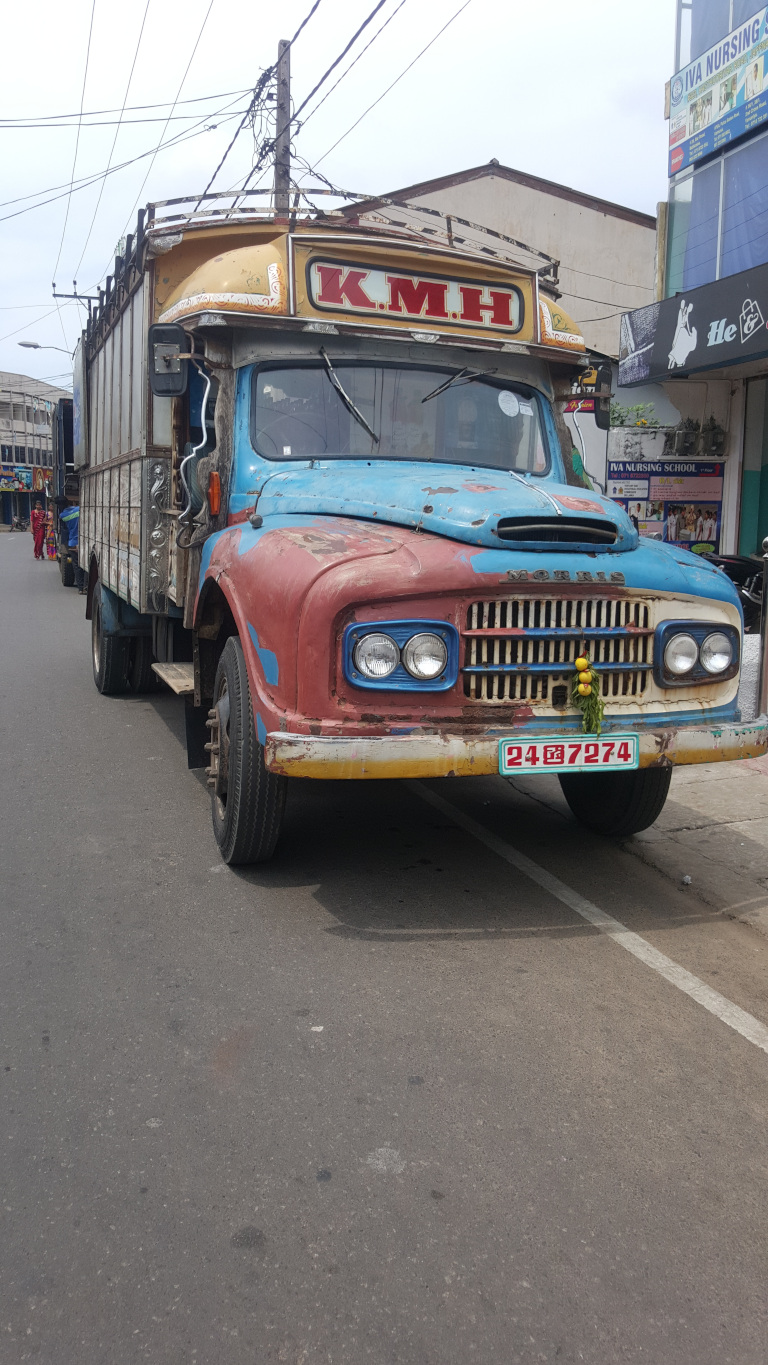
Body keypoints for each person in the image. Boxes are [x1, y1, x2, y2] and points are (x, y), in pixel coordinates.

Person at [59, 496, 86, 591]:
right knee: (85, 564)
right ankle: (86, 586)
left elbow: (64, 531)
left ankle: (81, 588)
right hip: (85, 542)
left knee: (76, 565)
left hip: (73, 543)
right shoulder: (80, 509)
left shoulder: (62, 516)